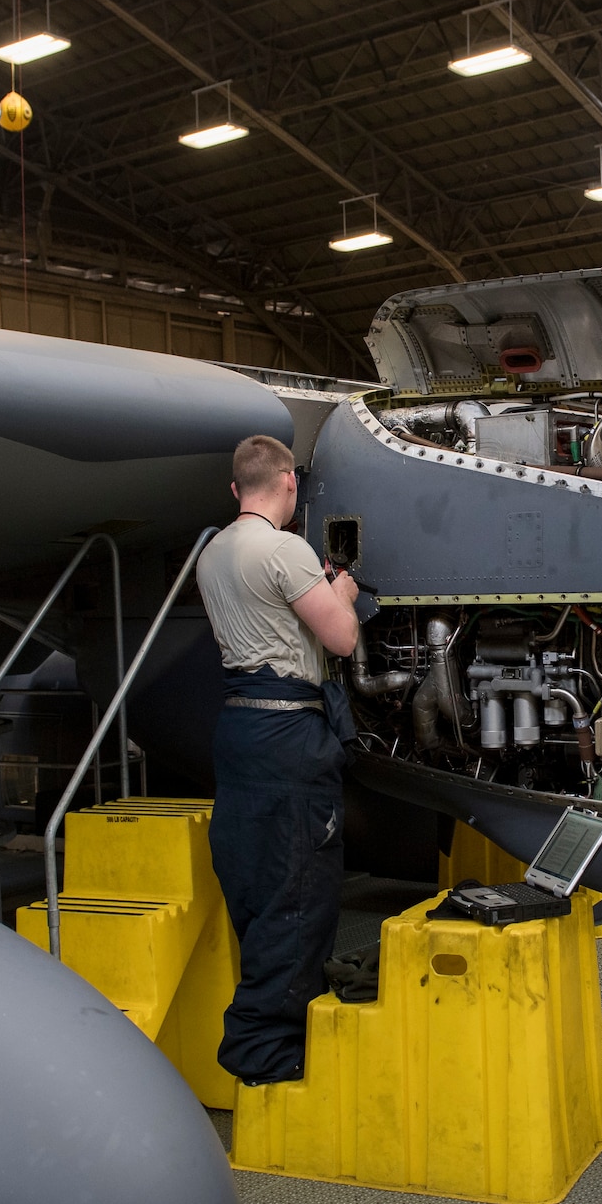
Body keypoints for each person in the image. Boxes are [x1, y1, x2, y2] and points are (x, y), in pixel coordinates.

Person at [195, 433, 360, 1086]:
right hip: (290, 733)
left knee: (257, 880)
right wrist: (339, 589)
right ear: (289, 483)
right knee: (299, 887)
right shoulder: (284, 549)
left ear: (236, 489)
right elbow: (341, 638)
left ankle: (266, 1038)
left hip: (239, 729)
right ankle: (267, 1055)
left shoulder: (211, 553)